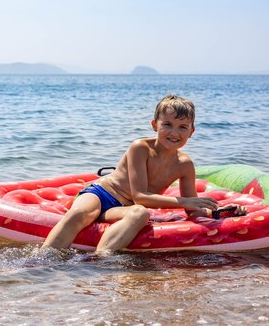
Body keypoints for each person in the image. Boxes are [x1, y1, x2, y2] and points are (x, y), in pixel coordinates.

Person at [43, 94, 247, 253]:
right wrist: (186, 202)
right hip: (101, 194)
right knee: (80, 213)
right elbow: (140, 195)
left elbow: (192, 211)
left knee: (140, 213)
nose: (174, 133)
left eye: (182, 127)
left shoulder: (185, 165)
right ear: (154, 125)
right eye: (167, 124)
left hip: (126, 209)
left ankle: (101, 261)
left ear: (191, 131)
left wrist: (219, 212)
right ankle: (41, 262)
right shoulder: (140, 148)